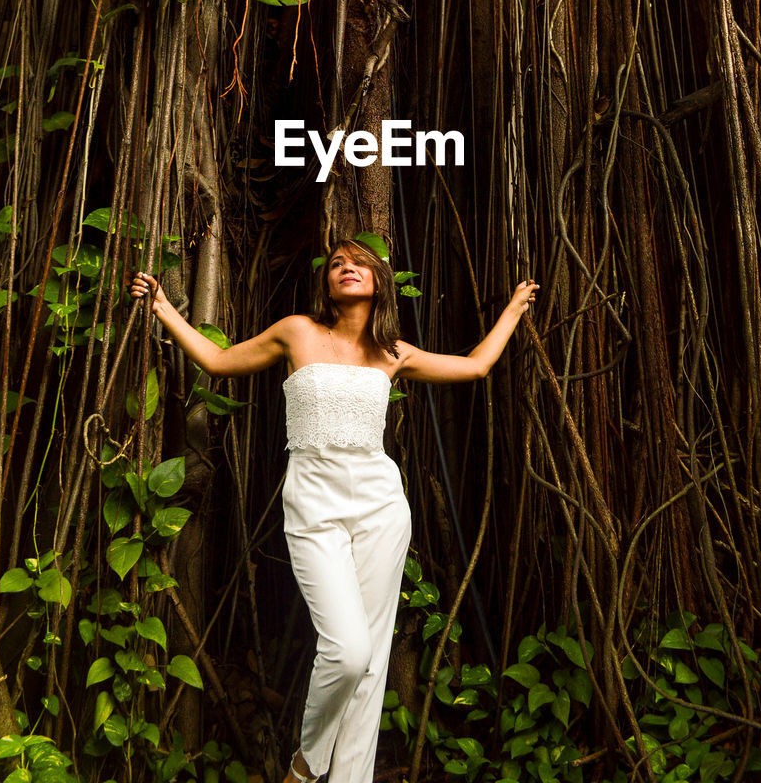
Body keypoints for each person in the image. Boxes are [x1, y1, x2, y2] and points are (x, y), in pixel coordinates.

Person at [130, 240, 538, 783]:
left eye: (359, 262)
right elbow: (219, 362)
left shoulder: (395, 352)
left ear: (379, 283)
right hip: (313, 504)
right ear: (327, 284)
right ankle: (307, 763)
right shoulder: (297, 331)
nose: (347, 268)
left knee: (371, 666)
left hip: (381, 506)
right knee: (347, 650)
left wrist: (512, 308)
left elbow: (476, 366)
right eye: (338, 263)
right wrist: (162, 307)